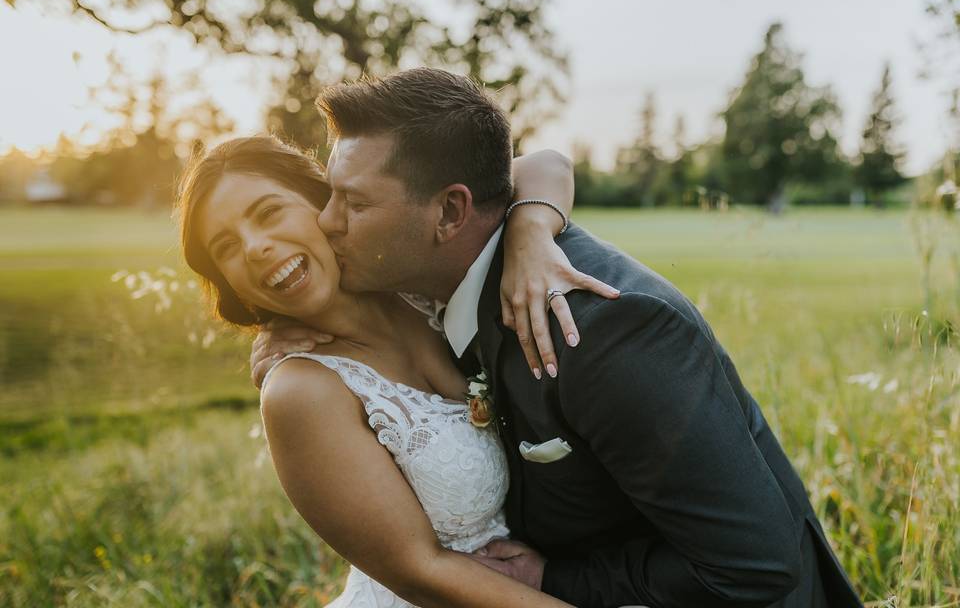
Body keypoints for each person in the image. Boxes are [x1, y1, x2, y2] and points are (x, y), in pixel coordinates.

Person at [251, 68, 864, 607]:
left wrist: (558, 580)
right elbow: (537, 166)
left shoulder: (610, 336)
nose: (326, 222)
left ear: (448, 214)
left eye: (352, 202)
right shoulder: (444, 279)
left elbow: (754, 566)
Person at [177, 133, 616, 607]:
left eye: (268, 213)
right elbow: (420, 573)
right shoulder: (299, 392)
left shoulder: (418, 281)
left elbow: (546, 164)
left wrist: (529, 233)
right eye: (226, 247)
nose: (255, 247)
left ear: (325, 201)